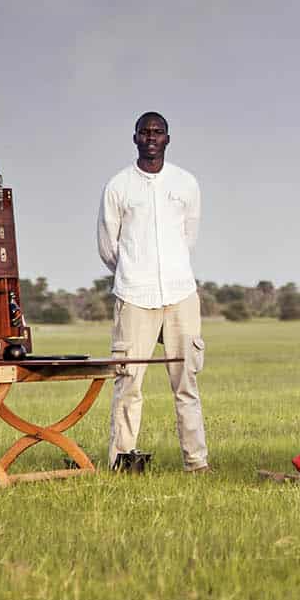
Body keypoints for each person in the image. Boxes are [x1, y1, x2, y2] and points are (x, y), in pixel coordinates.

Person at [97, 111, 209, 473]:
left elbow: (188, 237)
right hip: (134, 295)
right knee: (128, 381)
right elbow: (108, 246)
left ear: (167, 139)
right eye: (144, 132)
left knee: (186, 383)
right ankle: (121, 462)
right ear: (134, 139)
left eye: (157, 132)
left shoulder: (186, 184)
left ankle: (196, 462)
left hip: (180, 293)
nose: (150, 137)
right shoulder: (118, 186)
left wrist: (168, 270)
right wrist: (134, 270)